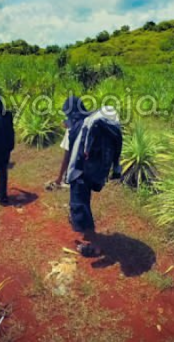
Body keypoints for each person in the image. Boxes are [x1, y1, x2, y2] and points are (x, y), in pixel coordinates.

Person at [55, 96, 122, 257]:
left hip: (79, 173)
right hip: (92, 172)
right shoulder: (90, 122)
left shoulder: (77, 127)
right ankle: (80, 224)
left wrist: (59, 178)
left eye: (67, 113)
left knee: (80, 207)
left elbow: (68, 156)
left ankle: (95, 245)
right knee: (83, 203)